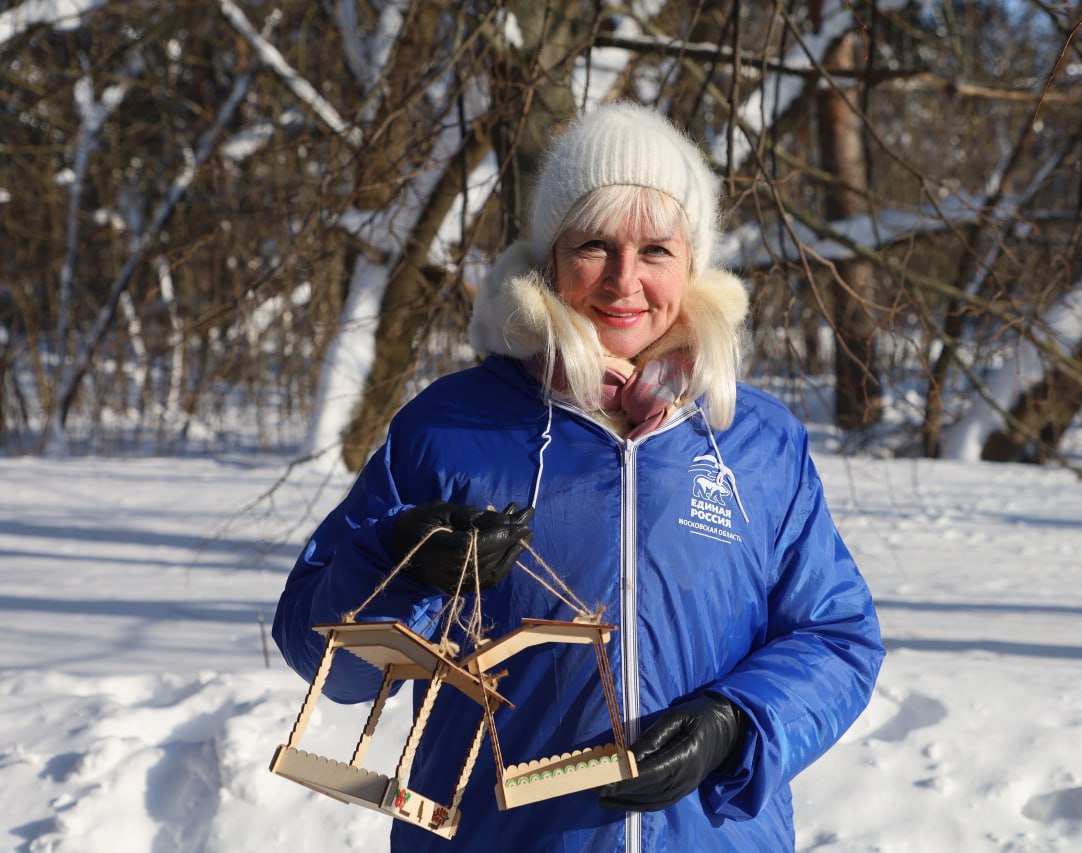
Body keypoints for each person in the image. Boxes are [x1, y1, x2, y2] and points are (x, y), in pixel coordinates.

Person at [273, 102, 884, 851]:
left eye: (656, 249)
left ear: (692, 262)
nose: (625, 281)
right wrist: (401, 560)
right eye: (594, 244)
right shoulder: (450, 428)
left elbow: (838, 636)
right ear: (551, 257)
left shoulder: (756, 442)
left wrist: (737, 721)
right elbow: (325, 664)